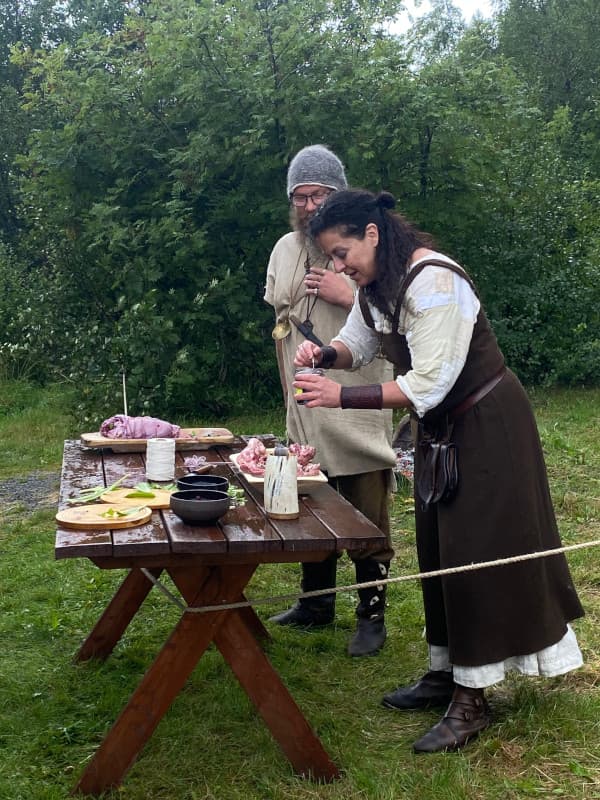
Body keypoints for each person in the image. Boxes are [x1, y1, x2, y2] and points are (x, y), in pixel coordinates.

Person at [293, 188, 584, 752]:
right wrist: (325, 355)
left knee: (477, 551)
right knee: (438, 546)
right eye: (331, 257)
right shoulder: (376, 284)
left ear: (371, 234)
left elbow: (430, 382)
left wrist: (340, 399)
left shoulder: (436, 283)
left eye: (341, 252)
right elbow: (358, 342)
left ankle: (473, 700)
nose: (338, 266)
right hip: (442, 431)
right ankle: (446, 672)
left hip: (487, 429)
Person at [264, 146, 397, 657]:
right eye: (301, 195)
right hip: (304, 398)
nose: (309, 203)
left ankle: (371, 614)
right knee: (309, 497)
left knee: (365, 504)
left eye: (318, 192)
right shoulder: (285, 248)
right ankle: (316, 602)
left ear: (339, 193)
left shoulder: (369, 247)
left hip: (358, 392)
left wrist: (349, 296)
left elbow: (394, 314)